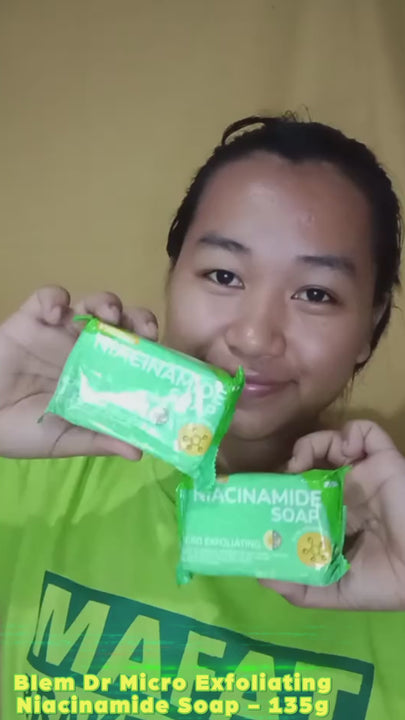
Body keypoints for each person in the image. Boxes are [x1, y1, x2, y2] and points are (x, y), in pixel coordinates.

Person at [1, 115, 404, 719]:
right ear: (172, 278)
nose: (254, 336)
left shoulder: (391, 544)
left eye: (316, 293)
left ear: (370, 326)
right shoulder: (29, 461)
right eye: (224, 275)